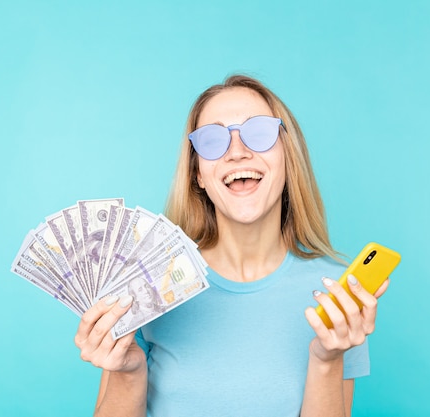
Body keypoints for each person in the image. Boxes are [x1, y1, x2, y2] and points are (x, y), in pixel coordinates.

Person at [74, 74, 389, 417]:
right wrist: (128, 372)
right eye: (212, 141)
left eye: (259, 133)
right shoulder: (146, 282)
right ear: (197, 174)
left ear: (288, 157)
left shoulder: (338, 293)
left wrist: (327, 360)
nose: (237, 152)